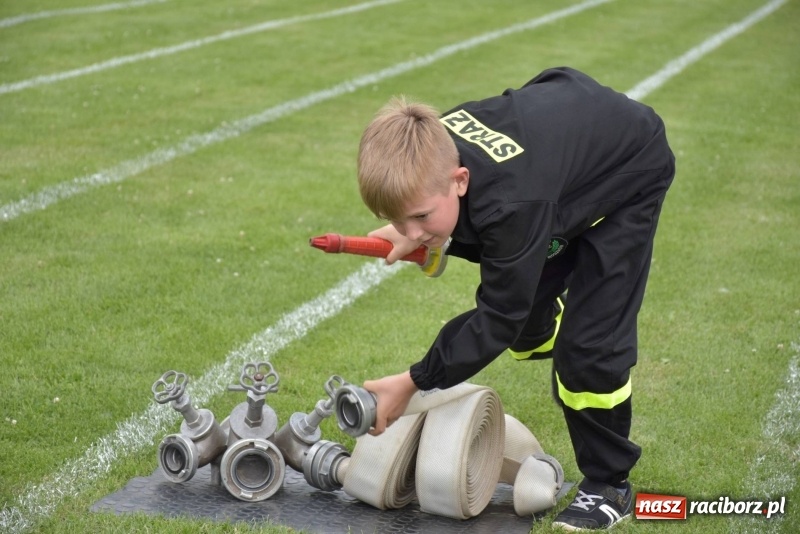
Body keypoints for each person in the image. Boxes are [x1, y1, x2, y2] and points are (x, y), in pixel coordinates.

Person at [355, 66, 675, 530]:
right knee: (525, 325)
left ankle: (609, 485)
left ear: (459, 180)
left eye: (419, 217)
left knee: (588, 350)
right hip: (558, 164)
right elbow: (480, 231)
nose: (410, 231)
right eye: (397, 220)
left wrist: (415, 380)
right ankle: (545, 324)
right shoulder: (430, 148)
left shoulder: (512, 203)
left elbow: (497, 316)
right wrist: (418, 230)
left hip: (629, 170)